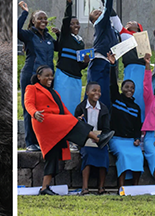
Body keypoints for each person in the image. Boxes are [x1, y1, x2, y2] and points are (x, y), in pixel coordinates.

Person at [24, 65, 113, 195]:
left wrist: (75, 120)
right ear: (39, 77)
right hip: (44, 120)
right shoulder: (32, 88)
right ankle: (98, 139)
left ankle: (44, 188)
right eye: (47, 75)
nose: (50, 78)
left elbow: (64, 111)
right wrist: (34, 113)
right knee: (70, 126)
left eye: (51, 75)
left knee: (52, 154)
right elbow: (28, 103)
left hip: (56, 124)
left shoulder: (55, 93)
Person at [18, 1, 56, 151]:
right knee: (30, 108)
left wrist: (59, 33)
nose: (43, 21)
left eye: (45, 18)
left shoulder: (48, 37)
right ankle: (30, 143)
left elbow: (59, 46)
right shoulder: (28, 35)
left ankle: (42, 140)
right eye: (39, 18)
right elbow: (15, 29)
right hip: (31, 75)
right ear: (33, 21)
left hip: (47, 79)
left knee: (45, 109)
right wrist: (24, 13)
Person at [106, 67, 145, 191]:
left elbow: (138, 126)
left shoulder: (136, 108)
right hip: (116, 139)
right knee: (123, 155)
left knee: (139, 156)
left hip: (130, 140)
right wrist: (113, 66)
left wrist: (137, 139)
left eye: (132, 88)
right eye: (126, 87)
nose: (129, 90)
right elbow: (112, 83)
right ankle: (121, 187)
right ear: (122, 88)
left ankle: (135, 187)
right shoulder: (116, 99)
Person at [86, 0, 121, 107]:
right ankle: (88, 120)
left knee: (105, 95)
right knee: (94, 93)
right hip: (98, 62)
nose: (99, 12)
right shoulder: (100, 24)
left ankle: (105, 123)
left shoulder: (110, 28)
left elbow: (109, 12)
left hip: (108, 63)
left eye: (99, 11)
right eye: (96, 13)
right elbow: (107, 10)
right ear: (93, 20)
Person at [53, 0, 88, 114]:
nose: (76, 26)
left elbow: (81, 65)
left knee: (74, 106)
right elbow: (66, 18)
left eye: (77, 23)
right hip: (64, 76)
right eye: (73, 24)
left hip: (76, 78)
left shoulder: (80, 42)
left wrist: (86, 62)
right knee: (62, 104)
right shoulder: (65, 37)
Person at [74, 82, 111, 194]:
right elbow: (75, 126)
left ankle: (101, 187)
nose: (97, 93)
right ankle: (85, 188)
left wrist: (100, 137)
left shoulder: (103, 109)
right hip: (85, 140)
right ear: (87, 92)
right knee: (87, 154)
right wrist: (79, 121)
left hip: (99, 139)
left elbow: (106, 128)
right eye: (94, 90)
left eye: (99, 91)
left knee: (104, 154)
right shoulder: (81, 108)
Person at [118, 21, 150, 117]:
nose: (129, 22)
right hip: (129, 68)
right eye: (128, 22)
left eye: (133, 22)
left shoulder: (142, 38)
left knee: (140, 92)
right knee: (128, 90)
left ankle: (141, 118)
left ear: (139, 27)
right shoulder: (124, 34)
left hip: (141, 68)